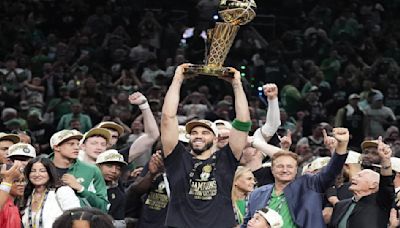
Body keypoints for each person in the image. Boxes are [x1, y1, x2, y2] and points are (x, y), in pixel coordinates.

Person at [161, 64, 251, 227]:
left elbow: (243, 123)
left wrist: (237, 85)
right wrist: (177, 79)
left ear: (216, 139)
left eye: (205, 132)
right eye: (194, 133)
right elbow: (168, 118)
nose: (198, 136)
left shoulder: (226, 159)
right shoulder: (178, 159)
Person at [243, 128, 350, 227]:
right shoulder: (257, 194)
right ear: (272, 169)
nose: (285, 170)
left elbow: (332, 171)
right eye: (280, 166)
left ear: (296, 170)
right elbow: (246, 223)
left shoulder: (308, 185)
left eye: (289, 167)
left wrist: (341, 145)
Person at [329, 137, 394, 228]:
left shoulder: (381, 202)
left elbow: (387, 185)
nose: (368, 155)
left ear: (374, 185)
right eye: (366, 152)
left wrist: (385, 160)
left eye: (374, 153)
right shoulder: (341, 204)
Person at [49, 129, 109, 212]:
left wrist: (81, 189)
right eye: (71, 144)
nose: (77, 147)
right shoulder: (41, 168)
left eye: (78, 144)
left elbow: (103, 206)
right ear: (56, 147)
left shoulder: (91, 170)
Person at [21, 157, 81, 228]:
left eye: (42, 171)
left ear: (50, 172)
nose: (37, 174)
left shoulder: (62, 191)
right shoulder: (27, 194)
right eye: (33, 171)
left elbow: (77, 217)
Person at [129, 150, 168, 228]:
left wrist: (165, 173)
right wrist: (151, 174)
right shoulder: (157, 161)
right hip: (146, 220)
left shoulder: (186, 165)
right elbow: (136, 190)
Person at [95, 149, 127, 226]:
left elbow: (120, 222)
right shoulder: (85, 185)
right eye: (109, 166)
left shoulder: (118, 194)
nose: (114, 171)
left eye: (118, 168)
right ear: (98, 166)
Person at [0, 161, 25, 228]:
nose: (21, 184)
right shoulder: (3, 206)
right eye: (16, 181)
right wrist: (8, 179)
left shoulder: (14, 206)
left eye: (23, 180)